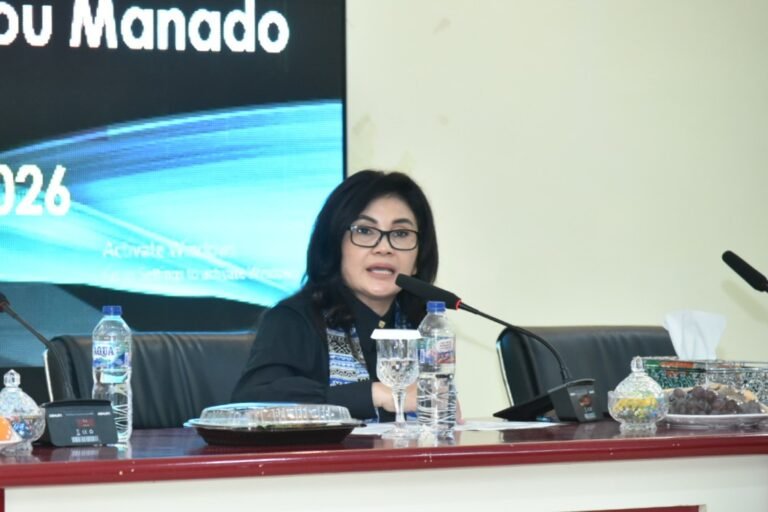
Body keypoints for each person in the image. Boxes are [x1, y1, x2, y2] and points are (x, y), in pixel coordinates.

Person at [231, 170, 439, 420]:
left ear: (418, 258)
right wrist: (375, 394)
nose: (384, 248)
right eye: (365, 231)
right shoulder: (294, 319)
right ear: (334, 245)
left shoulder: (423, 326)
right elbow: (251, 404)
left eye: (401, 234)